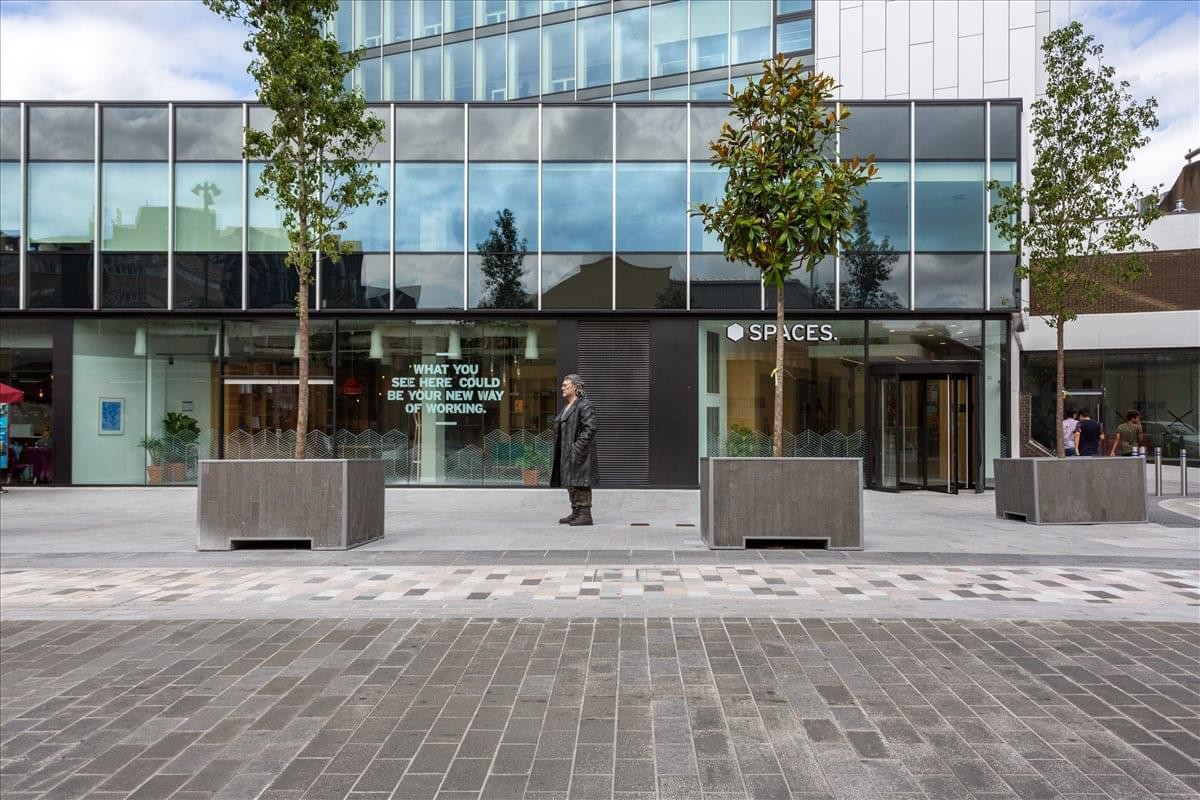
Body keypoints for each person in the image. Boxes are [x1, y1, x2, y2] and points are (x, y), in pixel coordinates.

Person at [551, 373, 598, 526]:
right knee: (571, 481)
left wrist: (577, 447)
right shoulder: (567, 406)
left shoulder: (585, 405)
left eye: (566, 385)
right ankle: (576, 511)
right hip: (566, 452)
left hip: (578, 453)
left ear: (576, 387)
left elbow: (590, 429)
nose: (562, 387)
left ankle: (585, 514)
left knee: (580, 482)